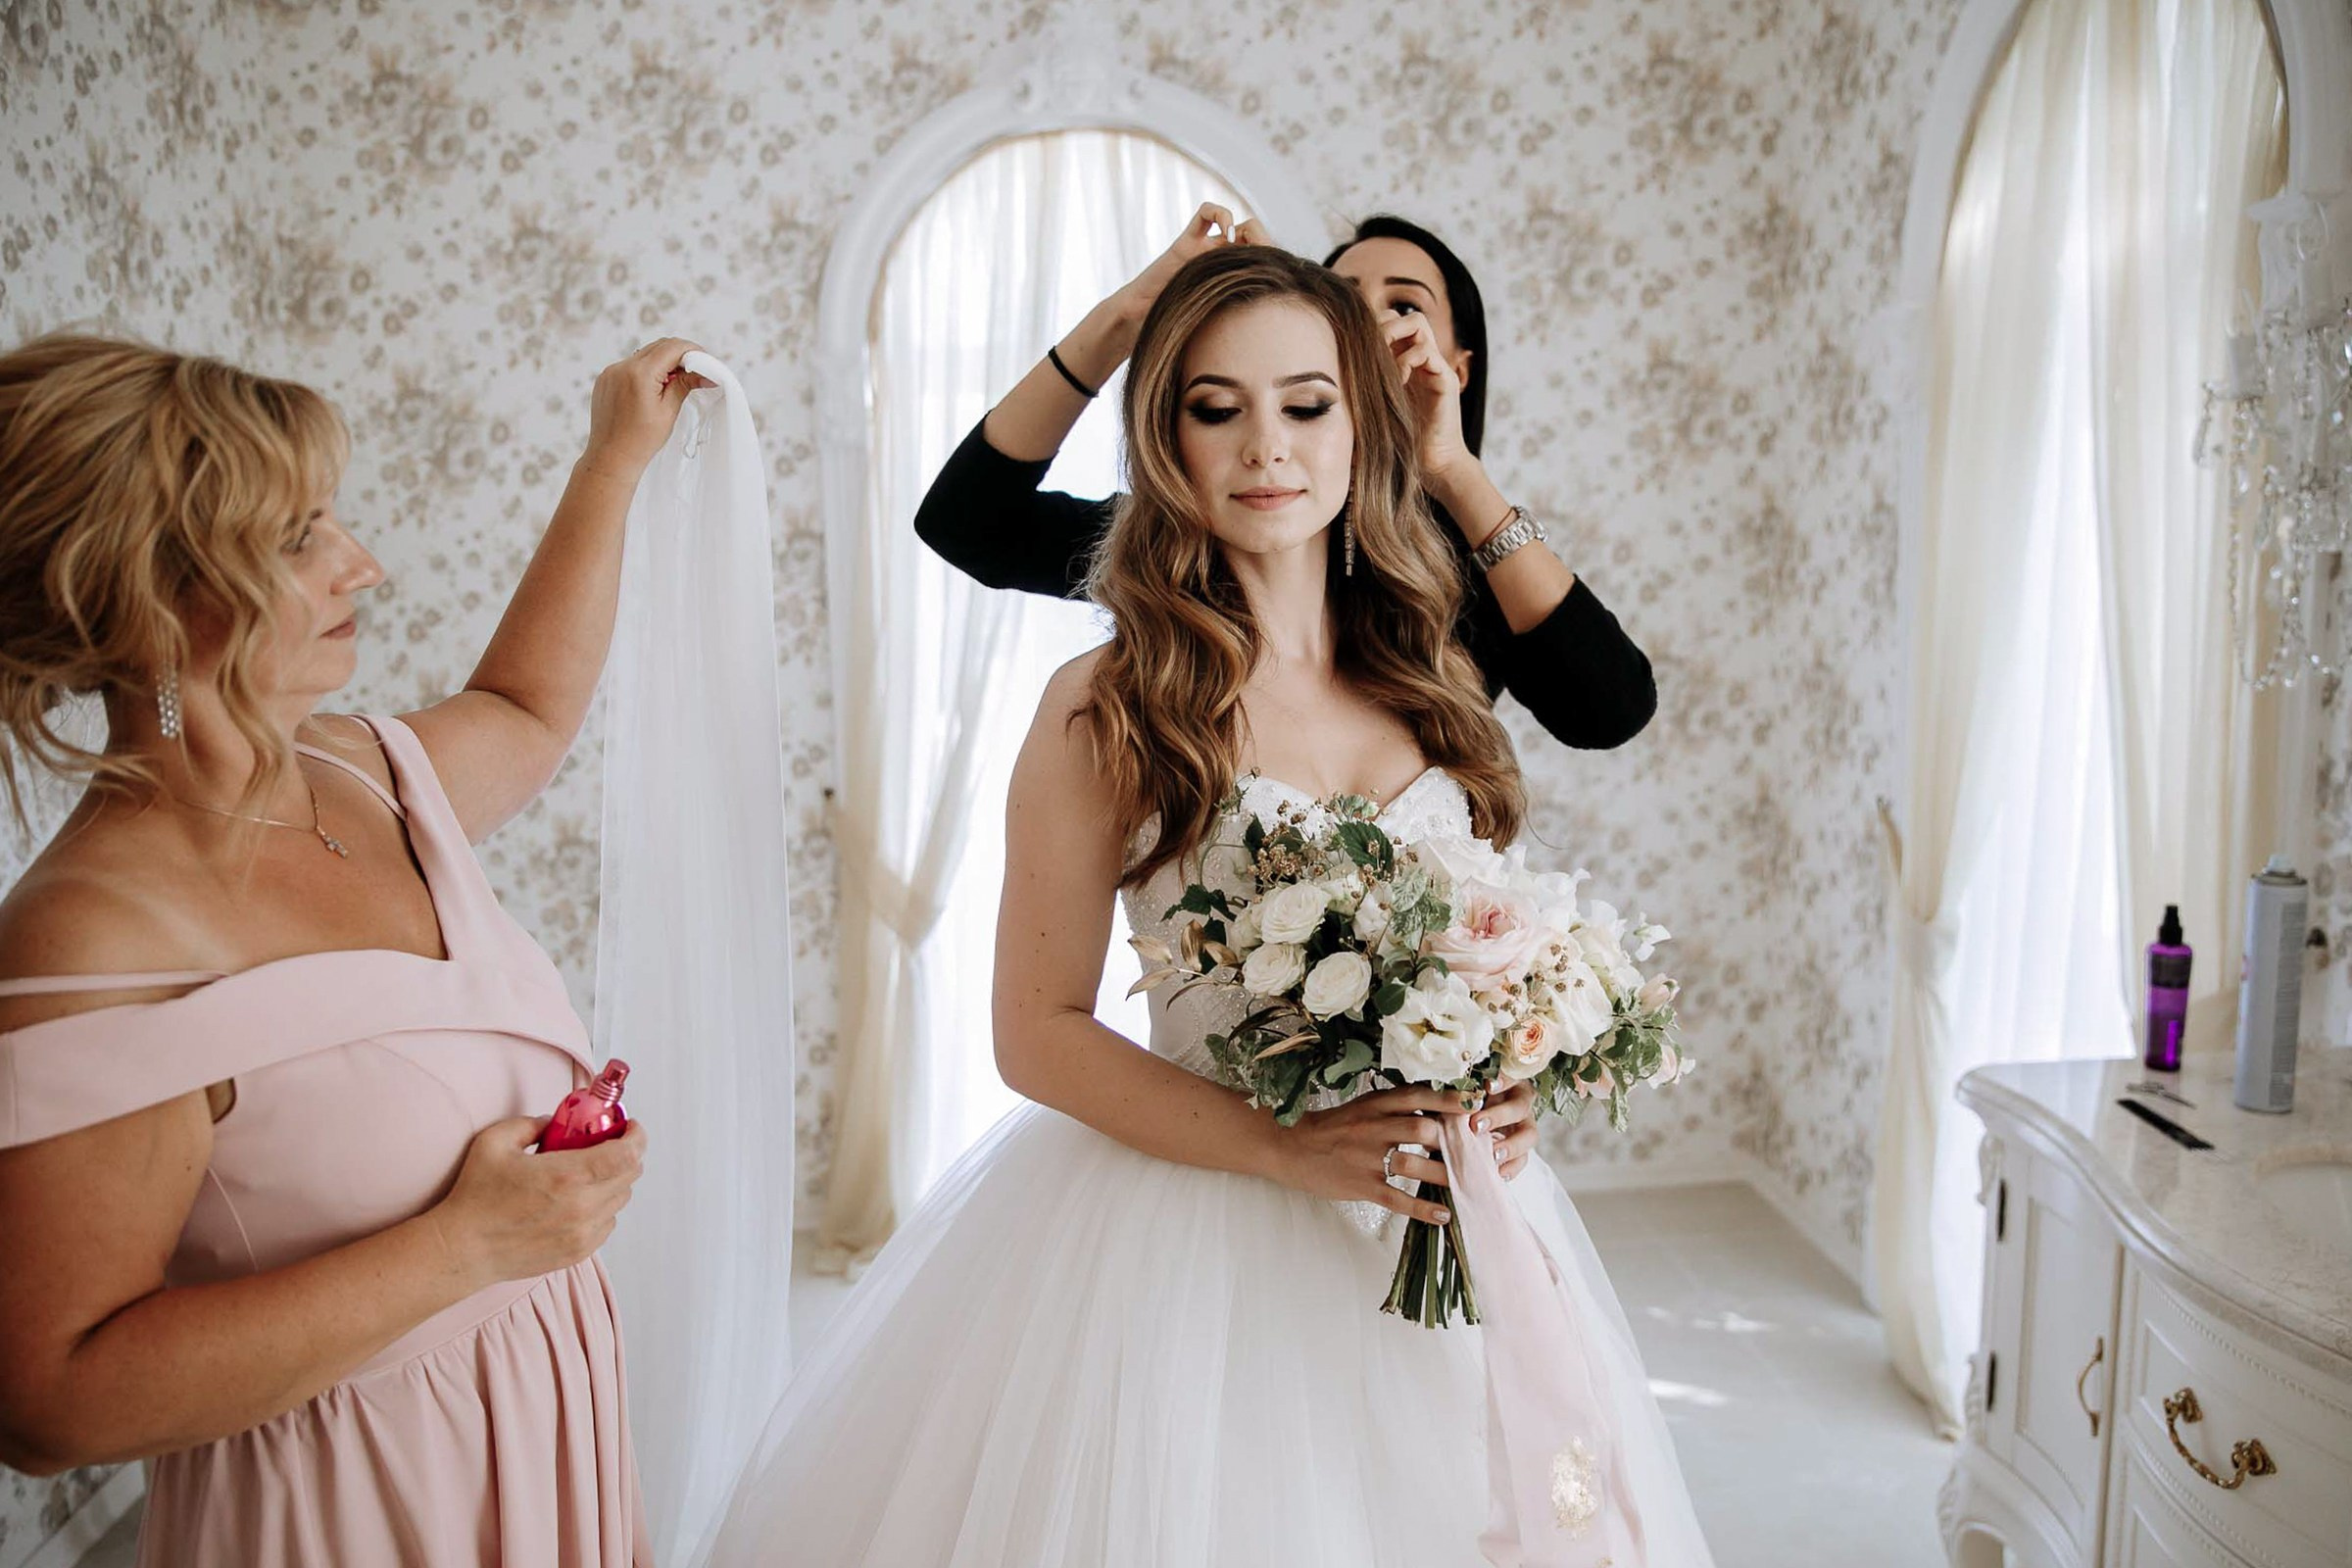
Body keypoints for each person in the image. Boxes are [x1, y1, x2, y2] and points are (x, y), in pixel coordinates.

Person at [701, 249, 1709, 1566]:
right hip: (1194, 1231)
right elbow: (1036, 1032)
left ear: (1366, 422)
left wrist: (1505, 1077)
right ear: (1163, 440)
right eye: (1215, 408)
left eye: (1307, 404)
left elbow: (1505, 890)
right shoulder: (1109, 702)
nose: (1265, 447)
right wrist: (1288, 1149)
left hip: (1441, 1210)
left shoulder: (1433, 672)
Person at [0, 332, 705, 1565]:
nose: (362, 564)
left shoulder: (370, 770)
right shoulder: (93, 943)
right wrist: (467, 1243)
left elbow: (528, 706)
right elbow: (48, 1405)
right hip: (351, 1509)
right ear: (147, 598)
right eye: (296, 538)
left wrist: (611, 462)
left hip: (541, 1439)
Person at [913, 204, 1656, 752]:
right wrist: (1120, 322)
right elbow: (967, 523)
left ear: (1457, 367)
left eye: (1403, 305)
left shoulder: (1460, 568)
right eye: (1345, 299)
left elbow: (1609, 711)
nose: (1372, 324)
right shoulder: (1215, 525)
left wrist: (1454, 472)